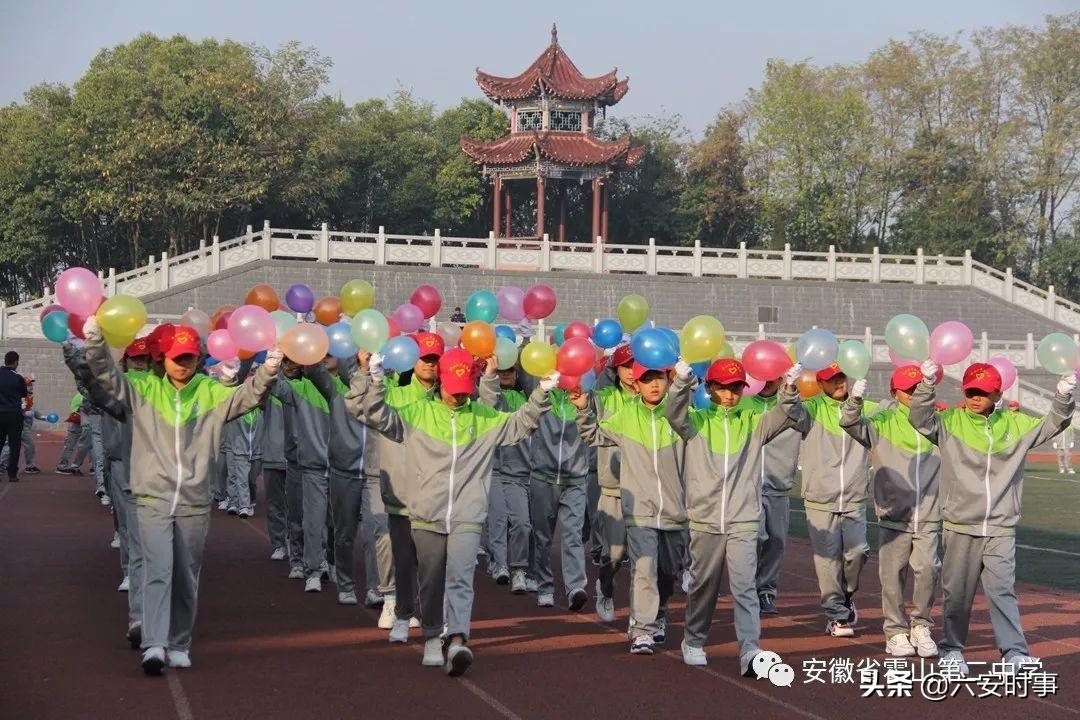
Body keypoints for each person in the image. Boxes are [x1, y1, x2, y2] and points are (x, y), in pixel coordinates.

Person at [81, 318, 281, 675]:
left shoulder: (210, 391)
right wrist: (95, 343)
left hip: (194, 499)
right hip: (152, 497)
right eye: (176, 356)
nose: (183, 363)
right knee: (157, 569)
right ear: (161, 358)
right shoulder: (144, 390)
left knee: (186, 575)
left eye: (189, 356)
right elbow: (107, 377)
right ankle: (154, 644)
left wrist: (267, 369)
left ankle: (179, 642)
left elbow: (247, 396)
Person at [348, 347, 555, 676]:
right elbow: (379, 418)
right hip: (425, 514)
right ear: (440, 382)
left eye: (463, 392)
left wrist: (541, 394)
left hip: (467, 514)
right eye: (452, 390)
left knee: (460, 578)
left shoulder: (483, 417)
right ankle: (432, 636)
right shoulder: (418, 413)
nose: (457, 398)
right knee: (430, 582)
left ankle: (457, 639)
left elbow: (519, 425)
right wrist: (374, 382)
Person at [909, 360, 1075, 675]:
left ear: (997, 394)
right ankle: (952, 650)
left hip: (1001, 526)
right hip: (960, 525)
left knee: (1002, 591)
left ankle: (1014, 653)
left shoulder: (1015, 425)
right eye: (971, 391)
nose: (975, 398)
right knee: (957, 594)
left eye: (983, 393)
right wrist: (926, 386)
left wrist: (1063, 396)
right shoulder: (949, 422)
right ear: (963, 390)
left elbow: (1054, 423)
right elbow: (919, 417)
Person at [666, 358, 798, 673]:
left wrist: (790, 388)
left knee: (744, 587)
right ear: (711, 388)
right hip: (706, 520)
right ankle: (694, 640)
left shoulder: (753, 422)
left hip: (743, 519)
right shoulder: (697, 421)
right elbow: (673, 414)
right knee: (704, 586)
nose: (729, 394)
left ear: (743, 388)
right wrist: (681, 383)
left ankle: (750, 651)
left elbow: (784, 414)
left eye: (735, 387)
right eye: (722, 387)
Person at [573, 361, 687, 656]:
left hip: (674, 510)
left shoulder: (681, 417)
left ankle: (659, 612)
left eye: (659, 378)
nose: (654, 385)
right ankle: (642, 630)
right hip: (639, 511)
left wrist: (687, 381)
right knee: (644, 568)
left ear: (667, 379)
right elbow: (592, 435)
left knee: (667, 571)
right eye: (646, 379)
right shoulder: (625, 417)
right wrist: (584, 408)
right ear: (635, 385)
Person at [840, 365, 941, 658]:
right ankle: (895, 632)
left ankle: (921, 624)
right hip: (894, 514)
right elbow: (850, 424)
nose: (912, 395)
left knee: (928, 569)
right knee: (892, 576)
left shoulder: (936, 422)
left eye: (917, 389)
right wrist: (854, 402)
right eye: (907, 390)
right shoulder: (882, 421)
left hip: (929, 512)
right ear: (894, 393)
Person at [782, 362, 876, 637]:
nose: (839, 384)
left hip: (854, 498)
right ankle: (836, 615)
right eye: (832, 380)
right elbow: (789, 411)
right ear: (820, 384)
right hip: (820, 499)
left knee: (857, 553)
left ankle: (846, 597)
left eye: (841, 378)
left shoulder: (864, 407)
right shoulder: (812, 410)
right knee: (827, 560)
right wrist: (789, 388)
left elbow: (891, 414)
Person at [740, 374, 802, 616]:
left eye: (772, 377)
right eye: (761, 376)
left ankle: (766, 590)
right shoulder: (741, 404)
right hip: (746, 485)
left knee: (775, 541)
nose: (767, 382)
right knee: (752, 537)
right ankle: (745, 587)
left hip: (778, 485)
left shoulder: (793, 407)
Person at [272, 356, 332, 591]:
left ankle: (322, 559)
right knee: (298, 514)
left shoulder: (330, 390)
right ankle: (298, 560)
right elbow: (273, 385)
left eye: (295, 362)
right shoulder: (293, 388)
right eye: (286, 363)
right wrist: (273, 362)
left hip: (330, 463)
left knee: (326, 518)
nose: (291, 366)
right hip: (298, 461)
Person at [589, 343, 636, 622]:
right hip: (614, 488)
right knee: (615, 555)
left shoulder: (654, 397)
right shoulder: (604, 396)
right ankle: (605, 589)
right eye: (625, 366)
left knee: (649, 558)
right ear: (615, 370)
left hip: (648, 490)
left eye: (635, 365)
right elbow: (587, 403)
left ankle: (643, 617)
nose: (631, 373)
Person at [477, 363, 534, 592]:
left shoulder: (525, 398)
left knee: (522, 523)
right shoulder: (489, 398)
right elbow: (488, 402)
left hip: (519, 472)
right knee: (497, 521)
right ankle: (500, 564)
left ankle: (519, 568)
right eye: (502, 371)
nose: (507, 374)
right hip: (494, 470)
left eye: (511, 370)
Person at [0, 351, 29, 482]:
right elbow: (24, 393)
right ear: (16, 362)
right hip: (13, 414)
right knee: (14, 445)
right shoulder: (18, 377)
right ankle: (12, 474)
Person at [56, 394, 87, 474]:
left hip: (81, 420)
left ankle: (70, 465)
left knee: (85, 445)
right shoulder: (84, 394)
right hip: (78, 421)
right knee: (71, 444)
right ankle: (63, 465)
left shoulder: (82, 392)